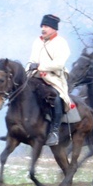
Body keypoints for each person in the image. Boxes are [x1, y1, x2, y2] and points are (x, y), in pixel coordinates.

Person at [25, 14, 71, 146]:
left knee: (55, 97)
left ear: (54, 28)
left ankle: (54, 131)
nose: (43, 29)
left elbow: (59, 64)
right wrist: (27, 70)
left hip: (53, 78)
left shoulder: (61, 43)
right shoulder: (37, 41)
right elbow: (32, 60)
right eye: (42, 26)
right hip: (34, 76)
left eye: (46, 26)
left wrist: (40, 66)